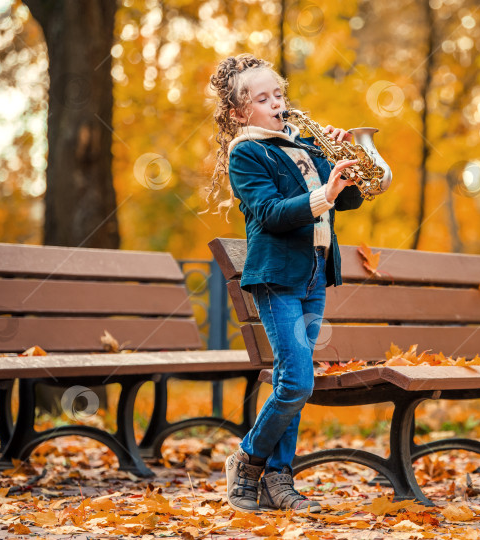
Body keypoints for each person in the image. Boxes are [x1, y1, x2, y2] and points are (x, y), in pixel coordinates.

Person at [208, 53, 363, 513]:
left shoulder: (301, 144)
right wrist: (323, 193)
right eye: (262, 98)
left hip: (314, 274)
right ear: (240, 112)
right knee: (296, 381)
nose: (276, 103)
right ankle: (249, 459)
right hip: (276, 278)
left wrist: (344, 158)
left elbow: (350, 200)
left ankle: (280, 479)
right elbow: (272, 215)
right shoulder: (248, 152)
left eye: (279, 94)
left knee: (291, 380)